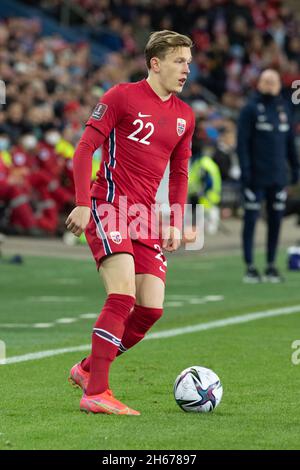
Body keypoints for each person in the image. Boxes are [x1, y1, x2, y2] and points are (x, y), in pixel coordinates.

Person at [65, 30, 195, 415]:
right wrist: (83, 202)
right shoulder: (121, 96)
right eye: (179, 61)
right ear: (155, 63)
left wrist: (174, 220)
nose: (187, 69)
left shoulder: (185, 116)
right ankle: (96, 392)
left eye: (188, 61)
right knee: (122, 296)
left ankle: (88, 369)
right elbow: (85, 148)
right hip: (108, 205)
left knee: (150, 310)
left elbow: (180, 172)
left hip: (144, 218)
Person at [237, 69, 299, 283]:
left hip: (278, 178)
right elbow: (242, 144)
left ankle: (271, 265)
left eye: (273, 81)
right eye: (266, 81)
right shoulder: (250, 109)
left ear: (279, 85)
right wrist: (245, 172)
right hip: (255, 177)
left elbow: (290, 143)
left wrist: (295, 168)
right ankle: (250, 266)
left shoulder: (284, 110)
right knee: (251, 220)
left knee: (276, 221)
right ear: (259, 84)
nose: (270, 84)